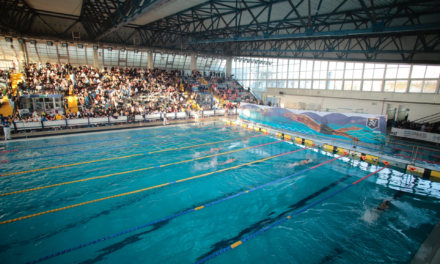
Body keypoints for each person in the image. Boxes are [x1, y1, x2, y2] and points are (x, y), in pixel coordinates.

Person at [284, 113, 363, 141]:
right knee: (336, 132)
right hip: (320, 128)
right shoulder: (302, 120)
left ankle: (351, 132)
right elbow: (296, 117)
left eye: (299, 118)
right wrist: (290, 115)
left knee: (336, 132)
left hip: (320, 128)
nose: (299, 119)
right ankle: (351, 132)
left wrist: (291, 113)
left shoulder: (305, 117)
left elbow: (298, 115)